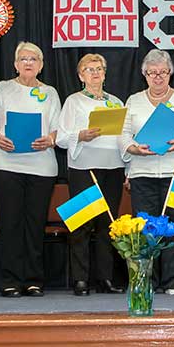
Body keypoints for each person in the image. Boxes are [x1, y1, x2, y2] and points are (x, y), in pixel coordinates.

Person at [120, 49, 174, 295]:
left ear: (170, 73)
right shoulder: (133, 100)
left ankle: (172, 280)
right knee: (146, 229)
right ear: (144, 74)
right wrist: (134, 148)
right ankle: (147, 281)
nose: (158, 77)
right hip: (142, 173)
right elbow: (123, 134)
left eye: (163, 72)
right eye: (152, 72)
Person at [0, 42, 61, 297]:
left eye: (33, 59)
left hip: (42, 167)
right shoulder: (2, 88)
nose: (28, 63)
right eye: (23, 58)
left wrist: (50, 139)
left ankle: (33, 280)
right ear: (15, 64)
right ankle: (9, 280)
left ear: (41, 65)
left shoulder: (50, 92)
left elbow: (58, 128)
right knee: (10, 223)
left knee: (35, 224)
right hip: (5, 165)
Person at [56, 53, 126, 296]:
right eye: (89, 69)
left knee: (108, 224)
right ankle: (80, 279)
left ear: (105, 74)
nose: (95, 73)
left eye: (99, 69)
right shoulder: (73, 101)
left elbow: (123, 136)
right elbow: (61, 138)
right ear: (80, 75)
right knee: (82, 224)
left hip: (113, 167)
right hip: (84, 168)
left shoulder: (116, 102)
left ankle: (105, 278)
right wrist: (80, 135)